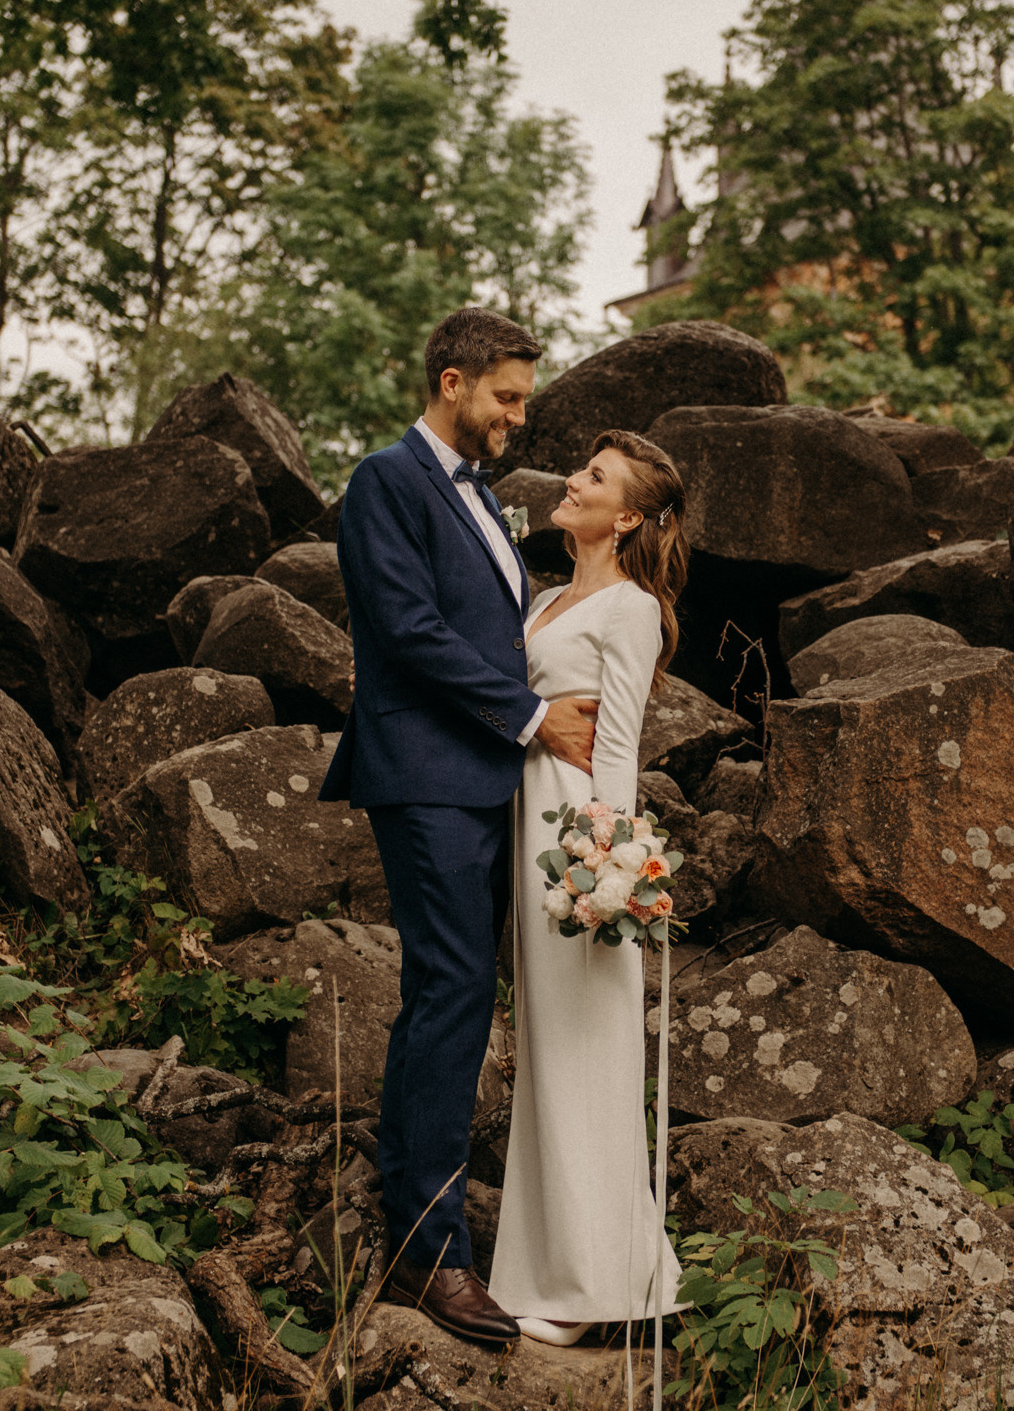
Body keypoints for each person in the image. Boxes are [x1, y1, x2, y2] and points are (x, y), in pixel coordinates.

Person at [321, 307, 601, 1349]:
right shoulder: (385, 482)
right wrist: (531, 718)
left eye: (524, 398)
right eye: (507, 397)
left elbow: (492, 625)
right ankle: (432, 1253)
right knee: (452, 992)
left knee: (449, 994)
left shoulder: (480, 494)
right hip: (428, 777)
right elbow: (407, 630)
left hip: (481, 780)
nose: (519, 417)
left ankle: (414, 1218)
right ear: (452, 382)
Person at [489, 429, 689, 1347]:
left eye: (595, 477)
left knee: (584, 1055)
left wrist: (607, 870)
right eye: (582, 468)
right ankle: (561, 1270)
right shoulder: (545, 599)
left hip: (577, 846)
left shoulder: (632, 608)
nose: (573, 481)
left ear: (629, 517)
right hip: (527, 827)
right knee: (548, 1054)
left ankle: (586, 1289)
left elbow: (619, 745)